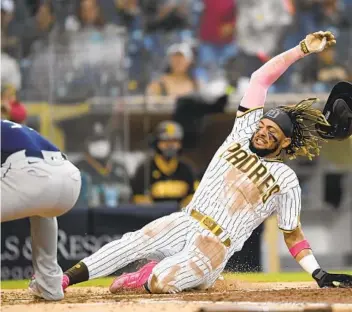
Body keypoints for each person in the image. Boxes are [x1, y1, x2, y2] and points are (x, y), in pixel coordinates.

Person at [62, 30, 352, 294]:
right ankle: (63, 279)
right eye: (262, 126)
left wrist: (318, 272)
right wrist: (302, 49)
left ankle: (148, 275)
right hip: (185, 220)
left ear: (285, 142)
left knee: (163, 281)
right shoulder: (242, 132)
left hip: (214, 246)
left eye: (271, 132)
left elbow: (293, 234)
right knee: (129, 243)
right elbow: (260, 79)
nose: (262, 132)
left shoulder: (285, 179)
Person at [1, 119, 81, 300]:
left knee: (37, 197)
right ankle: (50, 284)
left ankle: (49, 283)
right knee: (42, 212)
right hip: (70, 178)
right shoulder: (11, 126)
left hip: (32, 173)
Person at [131, 120, 197, 208]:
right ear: (156, 143)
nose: (170, 145)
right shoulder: (144, 170)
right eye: (166, 141)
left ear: (180, 144)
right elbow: (139, 199)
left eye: (174, 141)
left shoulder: (187, 169)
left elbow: (194, 197)